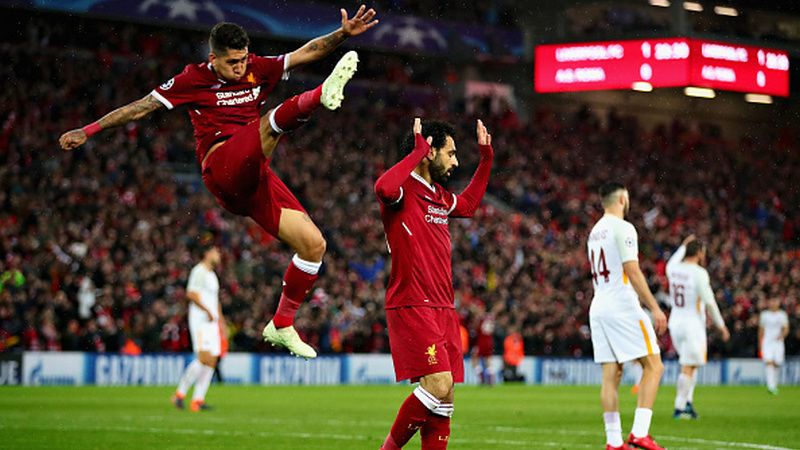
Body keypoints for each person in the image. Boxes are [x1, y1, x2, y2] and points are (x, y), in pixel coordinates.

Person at [58, 8, 379, 359]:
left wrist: (343, 34)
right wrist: (87, 130)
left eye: (242, 60)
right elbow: (141, 108)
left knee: (314, 245)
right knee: (270, 124)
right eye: (231, 62)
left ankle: (282, 324)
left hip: (255, 177)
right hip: (221, 167)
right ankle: (320, 95)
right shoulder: (192, 79)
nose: (239, 68)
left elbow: (307, 52)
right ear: (213, 59)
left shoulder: (257, 67)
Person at [375, 118, 494, 449]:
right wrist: (416, 153)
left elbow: (468, 206)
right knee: (438, 383)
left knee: (446, 396)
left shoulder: (438, 195)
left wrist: (486, 159)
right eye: (451, 153)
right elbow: (382, 188)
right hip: (413, 302)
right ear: (429, 150)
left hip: (443, 307)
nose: (456, 162)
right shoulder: (401, 190)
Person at [587, 182, 668, 450]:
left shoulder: (595, 231)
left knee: (611, 375)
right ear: (622, 198)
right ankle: (639, 433)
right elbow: (632, 271)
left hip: (598, 305)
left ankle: (613, 442)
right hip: (621, 304)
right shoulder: (623, 228)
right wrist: (655, 308)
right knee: (654, 366)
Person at [666, 235, 730, 419]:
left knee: (691, 365)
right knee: (688, 365)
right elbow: (710, 303)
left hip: (676, 322)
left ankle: (687, 403)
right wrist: (721, 325)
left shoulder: (673, 269)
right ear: (700, 253)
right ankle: (679, 408)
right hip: (692, 323)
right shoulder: (699, 273)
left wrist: (682, 246)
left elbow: (672, 261)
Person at [172, 244, 223, 412]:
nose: (218, 254)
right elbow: (191, 293)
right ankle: (179, 394)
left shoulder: (212, 274)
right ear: (207, 254)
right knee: (203, 358)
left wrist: (221, 322)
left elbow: (215, 301)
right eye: (216, 251)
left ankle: (197, 400)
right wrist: (207, 311)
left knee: (212, 361)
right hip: (201, 320)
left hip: (212, 322)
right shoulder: (199, 271)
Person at [759, 297, 789, 395]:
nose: (773, 303)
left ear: (778, 303)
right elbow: (761, 330)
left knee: (777, 363)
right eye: (771, 301)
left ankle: (774, 385)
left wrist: (782, 335)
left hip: (778, 342)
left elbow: (786, 328)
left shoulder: (782, 315)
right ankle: (770, 386)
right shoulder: (764, 315)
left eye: (775, 301)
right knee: (769, 362)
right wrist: (760, 343)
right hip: (767, 342)